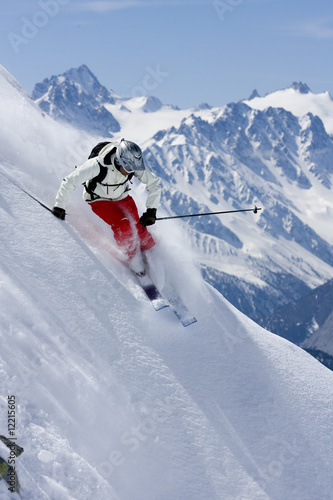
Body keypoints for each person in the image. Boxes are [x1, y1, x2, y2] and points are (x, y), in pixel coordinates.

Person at [52, 139, 161, 274]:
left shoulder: (132, 164)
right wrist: (59, 206)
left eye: (133, 170)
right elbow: (69, 182)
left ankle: (152, 252)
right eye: (128, 169)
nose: (130, 172)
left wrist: (151, 210)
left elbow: (154, 185)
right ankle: (133, 259)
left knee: (139, 228)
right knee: (124, 226)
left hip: (122, 196)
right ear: (119, 161)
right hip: (99, 199)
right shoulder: (97, 165)